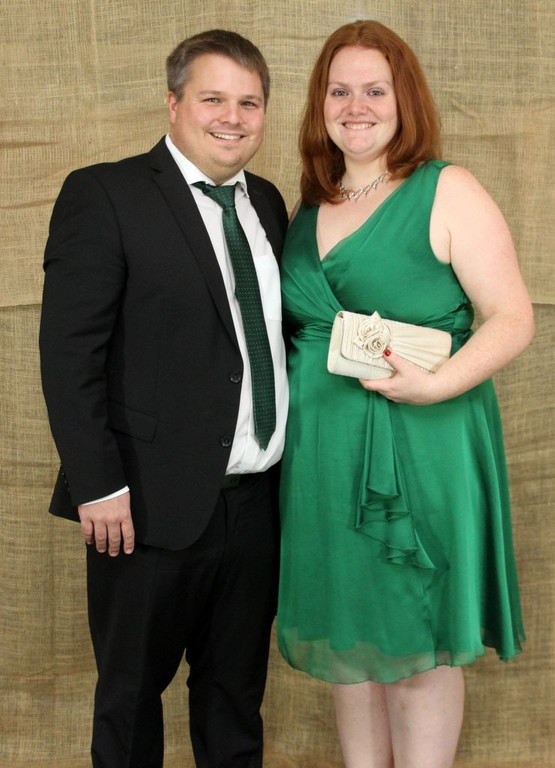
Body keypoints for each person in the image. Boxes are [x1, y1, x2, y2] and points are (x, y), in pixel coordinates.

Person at [277, 19, 534, 768]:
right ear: (320, 104)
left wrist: (435, 386)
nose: (355, 107)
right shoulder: (309, 203)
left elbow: (512, 316)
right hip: (324, 455)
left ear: (405, 100)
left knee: (417, 636)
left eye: (374, 90)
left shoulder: (446, 189)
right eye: (339, 91)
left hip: (422, 444)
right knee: (351, 634)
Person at [39, 29, 288, 768]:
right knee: (129, 702)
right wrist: (98, 484)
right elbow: (68, 355)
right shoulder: (105, 194)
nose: (232, 118)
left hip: (257, 504)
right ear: (173, 103)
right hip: (142, 506)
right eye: (213, 99)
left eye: (249, 103)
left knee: (235, 700)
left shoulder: (268, 203)